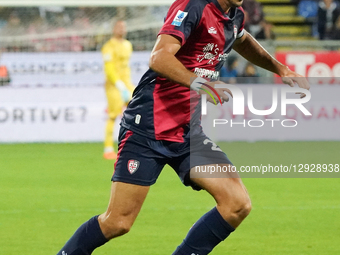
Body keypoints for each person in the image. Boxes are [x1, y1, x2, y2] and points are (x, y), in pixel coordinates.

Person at [57, 0, 309, 254]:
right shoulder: (193, 6)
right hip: (148, 126)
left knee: (237, 204)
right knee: (117, 222)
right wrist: (198, 82)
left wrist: (281, 69)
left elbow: (242, 40)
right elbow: (158, 57)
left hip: (188, 131)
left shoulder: (235, 15)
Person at [101, 20, 134, 160]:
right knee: (113, 115)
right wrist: (119, 85)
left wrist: (127, 85)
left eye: (124, 26)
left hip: (128, 85)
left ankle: (133, 145)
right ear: (114, 28)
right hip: (114, 86)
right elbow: (109, 69)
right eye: (119, 26)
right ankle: (108, 148)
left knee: (136, 113)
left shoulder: (128, 45)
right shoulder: (108, 46)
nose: (122, 29)